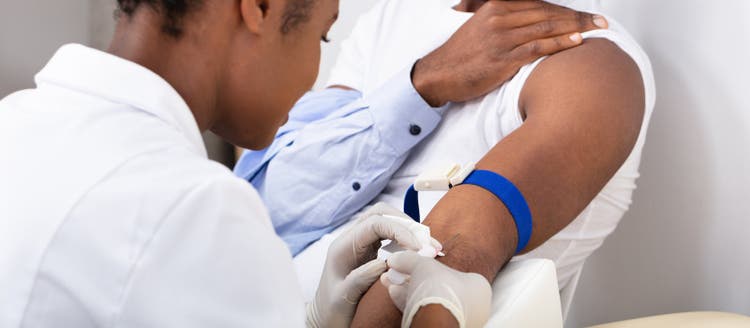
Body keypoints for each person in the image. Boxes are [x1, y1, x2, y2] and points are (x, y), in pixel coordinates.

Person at [0, 0, 606, 327]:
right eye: (321, 37)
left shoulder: (18, 124)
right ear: (258, 7)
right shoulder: (191, 207)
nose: (315, 76)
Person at [235, 0, 655, 326]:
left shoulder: (593, 67)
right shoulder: (388, 19)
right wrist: (424, 82)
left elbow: (422, 283)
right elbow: (262, 204)